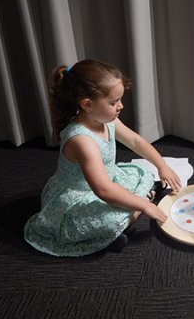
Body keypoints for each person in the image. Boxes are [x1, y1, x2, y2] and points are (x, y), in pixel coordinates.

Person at [24, 59, 181, 257]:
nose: (121, 106)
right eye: (114, 102)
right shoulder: (82, 140)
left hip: (108, 179)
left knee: (144, 173)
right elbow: (103, 190)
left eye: (120, 100)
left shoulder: (107, 119)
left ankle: (127, 218)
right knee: (112, 220)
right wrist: (145, 205)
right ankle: (113, 233)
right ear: (88, 104)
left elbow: (135, 141)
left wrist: (161, 165)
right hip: (80, 196)